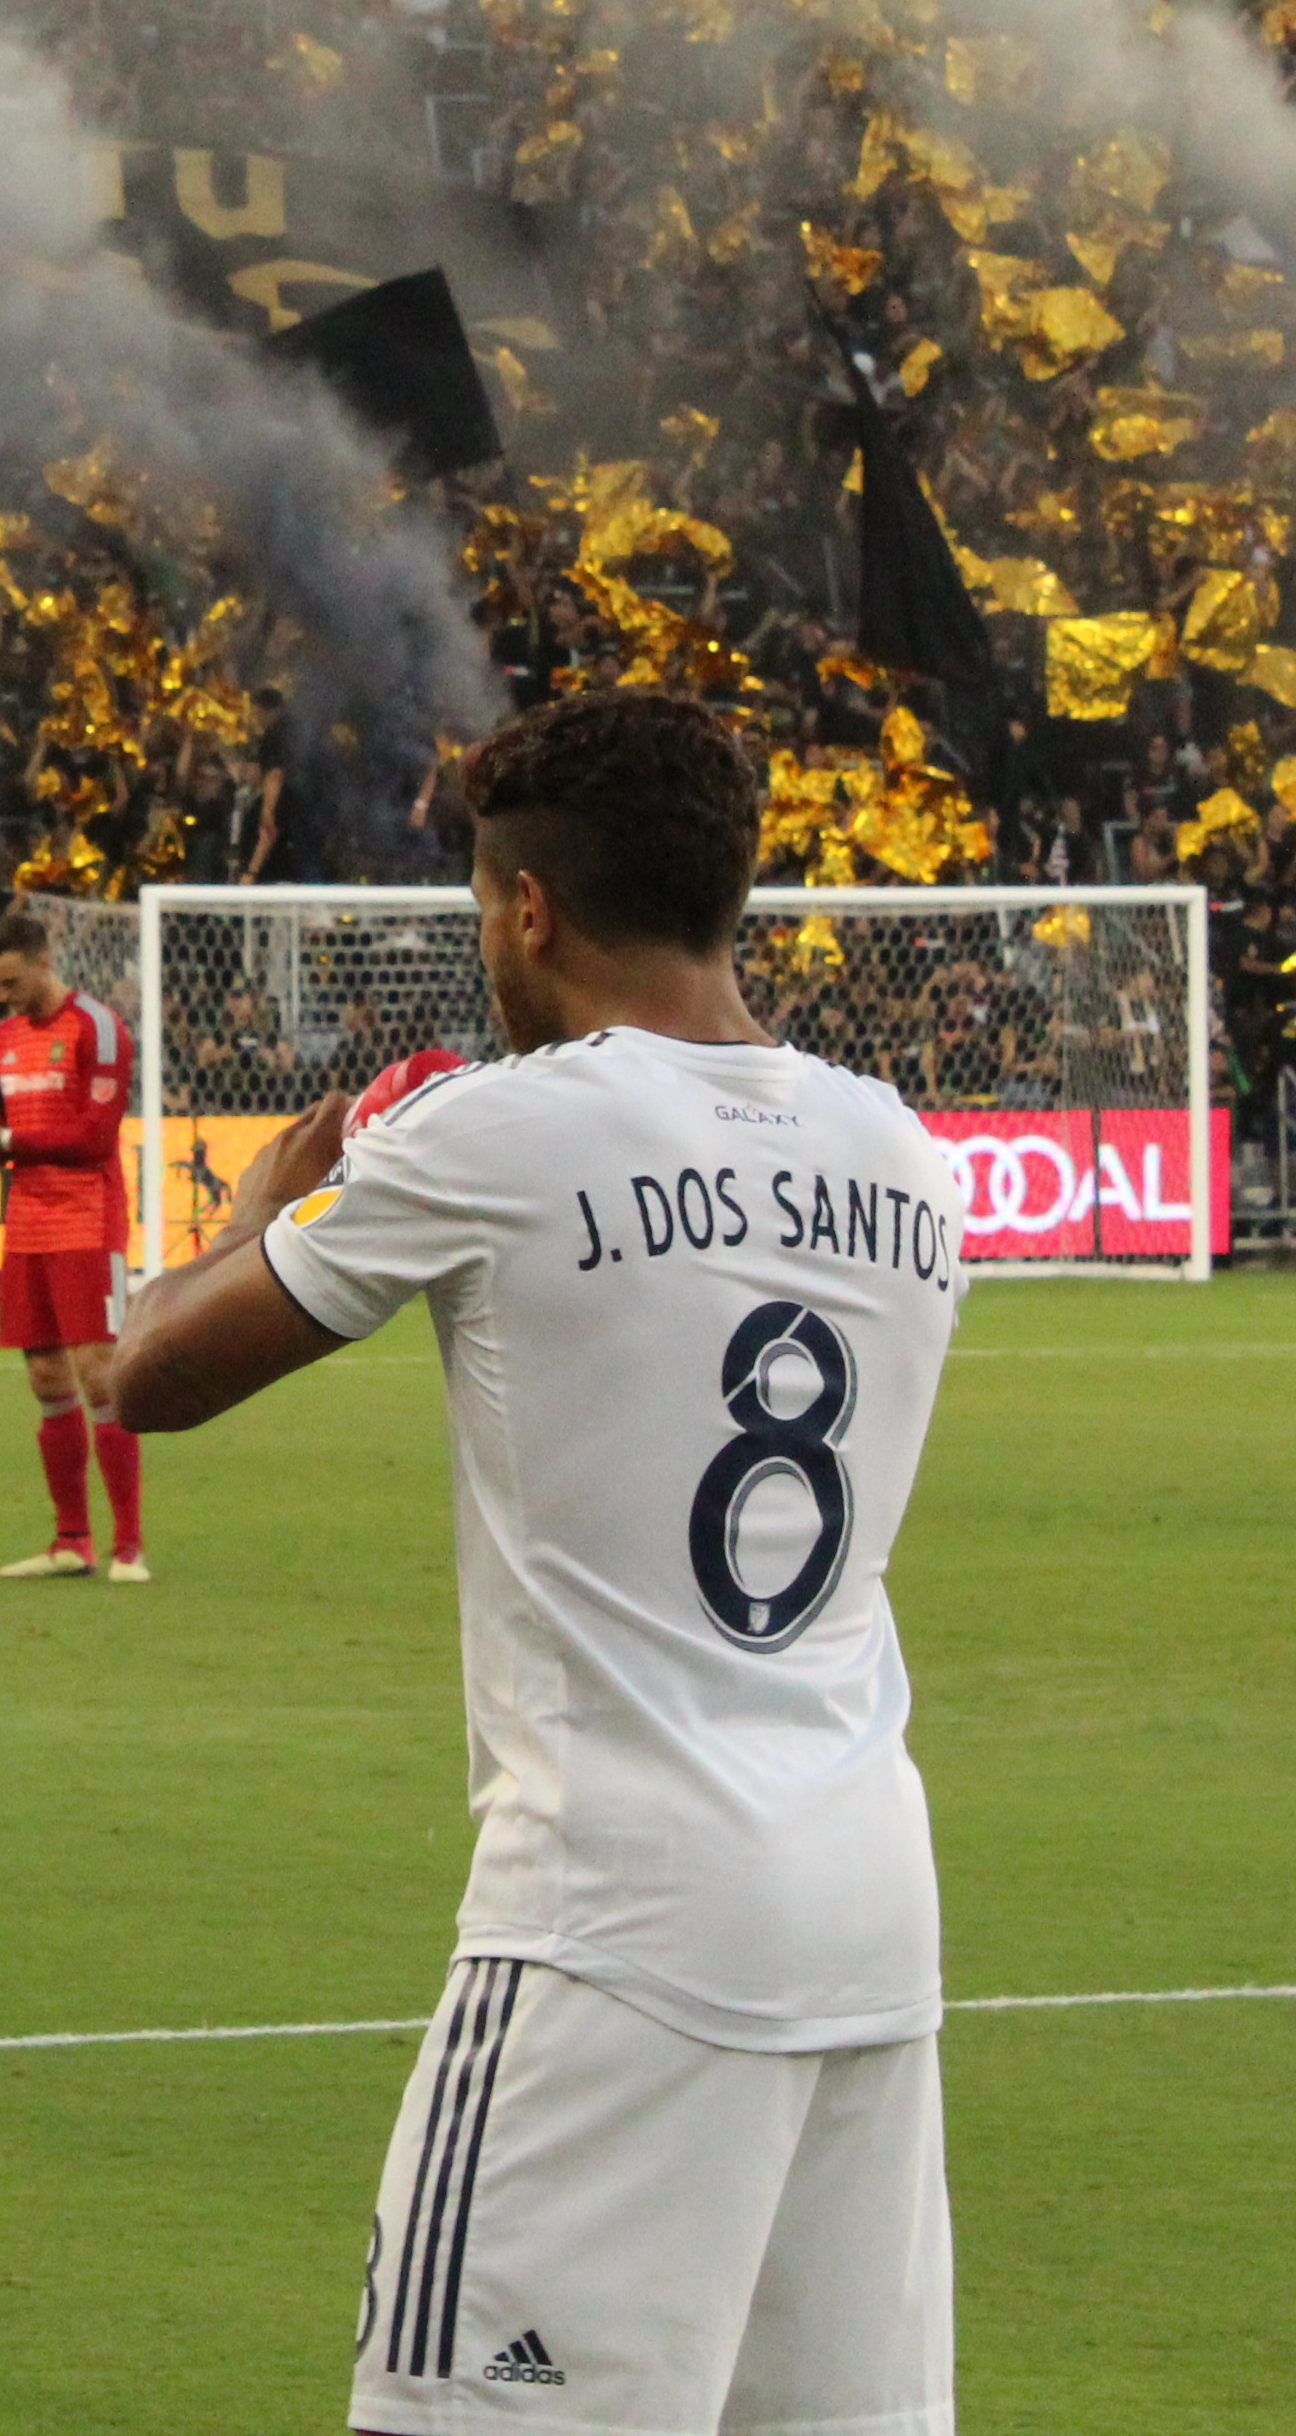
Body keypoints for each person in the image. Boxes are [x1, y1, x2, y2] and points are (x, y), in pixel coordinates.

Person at [111, 687, 972, 2436]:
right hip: (867, 1905)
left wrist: (258, 1208)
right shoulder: (905, 1156)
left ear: (523, 909)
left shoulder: (493, 1132)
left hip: (613, 1924)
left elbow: (148, 1373)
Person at [0, 911, 138, 1578]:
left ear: (43, 960)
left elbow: (94, 1141)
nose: (2, 996)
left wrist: (3, 1142)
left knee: (100, 1372)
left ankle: (129, 1547)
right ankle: (71, 1542)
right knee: (44, 1375)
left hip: (89, 1218)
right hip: (28, 1222)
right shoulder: (2, 1038)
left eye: (10, 982)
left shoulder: (98, 1027)